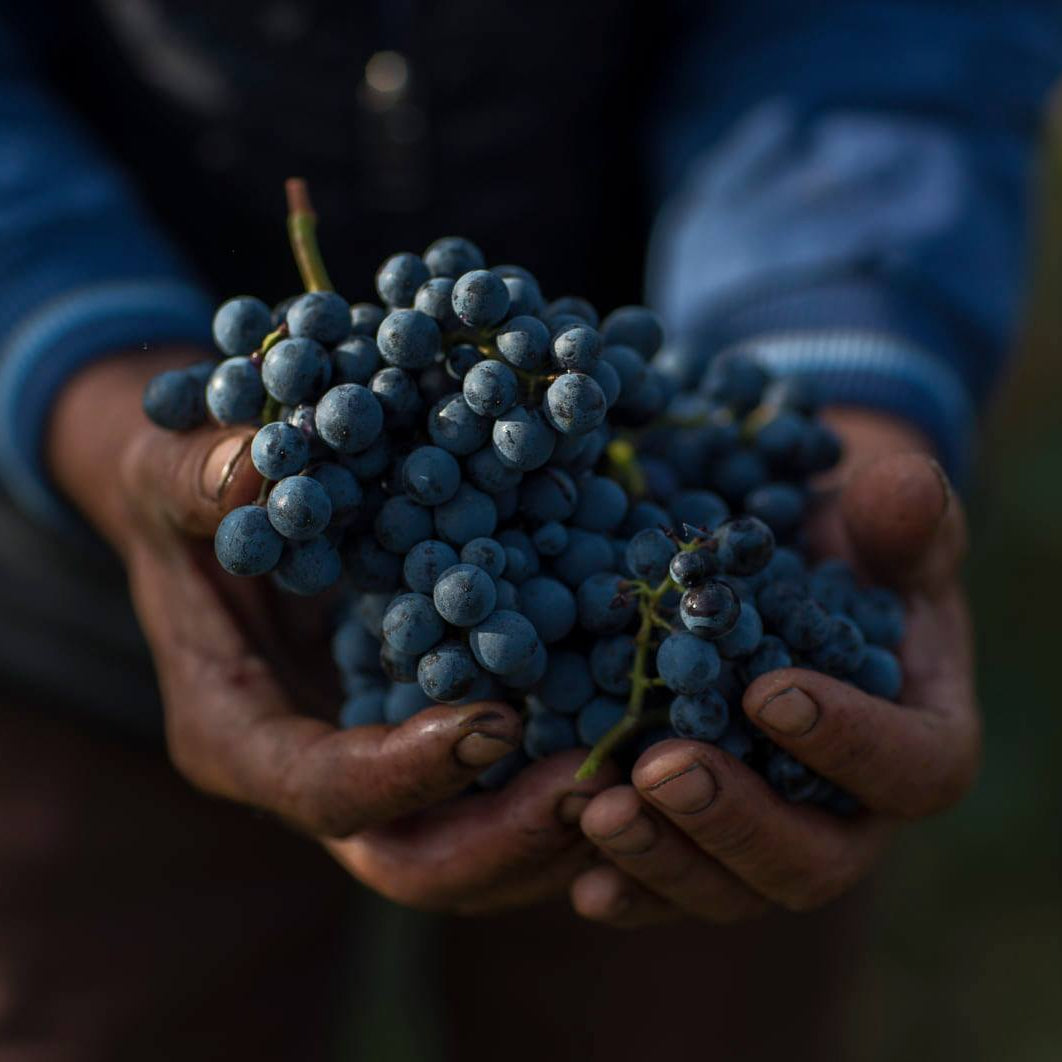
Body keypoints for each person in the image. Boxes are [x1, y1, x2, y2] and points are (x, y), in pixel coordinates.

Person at [0, 1, 1055, 1058]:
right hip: (80, 613)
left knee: (684, 956)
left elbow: (890, 28)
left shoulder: (635, 544)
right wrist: (80, 376)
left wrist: (835, 335)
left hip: (656, 546)